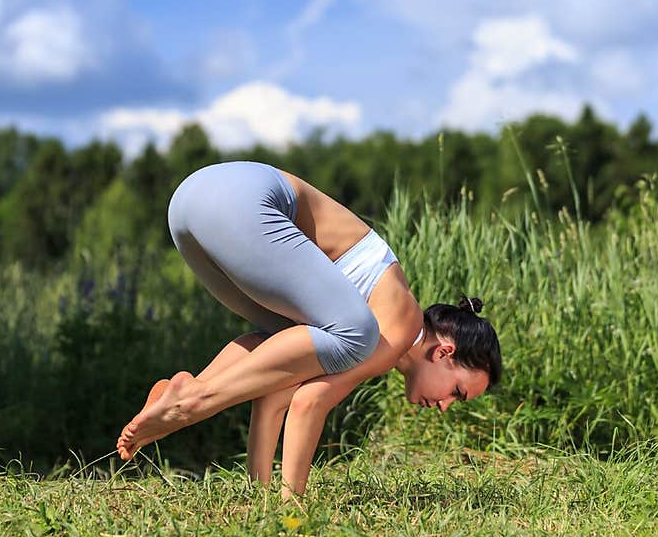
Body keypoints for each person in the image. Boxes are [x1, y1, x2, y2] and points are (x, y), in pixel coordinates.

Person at [116, 160, 501, 497]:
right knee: (357, 337)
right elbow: (309, 403)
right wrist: (293, 505)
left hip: (190, 203)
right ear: (444, 352)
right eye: (457, 392)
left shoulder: (360, 316)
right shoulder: (402, 324)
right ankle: (194, 400)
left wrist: (263, 498)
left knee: (284, 347)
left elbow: (278, 395)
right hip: (243, 202)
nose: (446, 406)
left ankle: (192, 395)